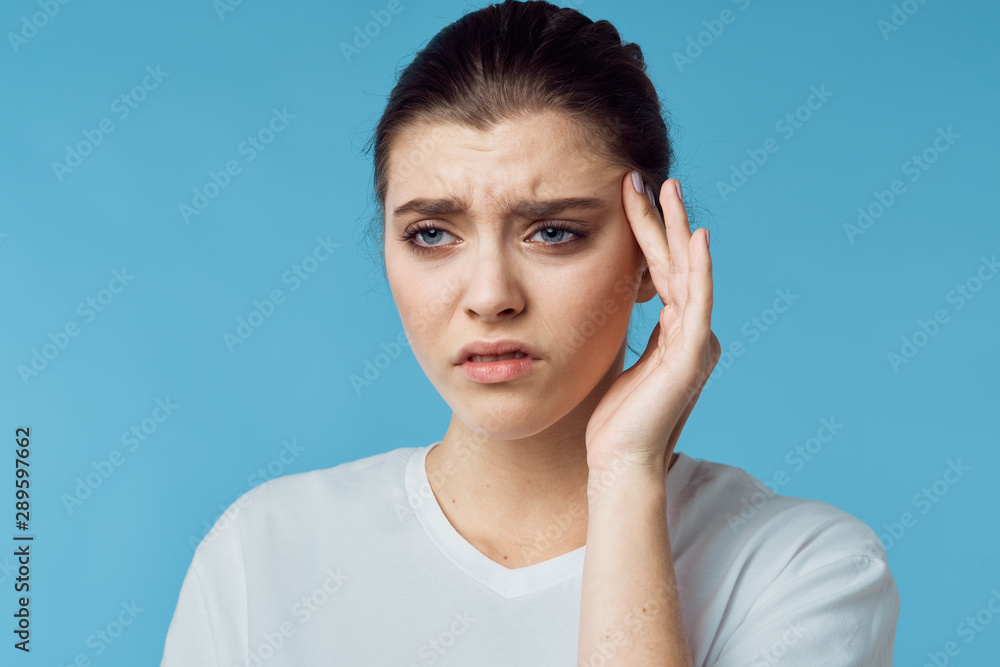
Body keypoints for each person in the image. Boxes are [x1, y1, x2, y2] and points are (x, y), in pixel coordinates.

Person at [161, 1, 900, 665]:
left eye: (552, 232)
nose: (490, 297)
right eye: (431, 233)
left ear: (653, 257)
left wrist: (624, 475)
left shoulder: (802, 569)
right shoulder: (262, 553)